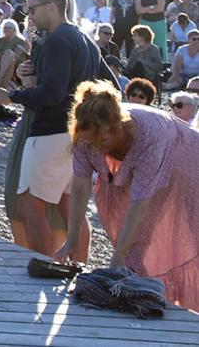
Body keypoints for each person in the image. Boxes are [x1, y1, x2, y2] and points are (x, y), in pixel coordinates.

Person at [0, 0, 116, 259]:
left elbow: (52, 93)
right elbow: (111, 86)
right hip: (76, 133)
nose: (30, 15)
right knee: (69, 206)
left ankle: (45, 266)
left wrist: (13, 96)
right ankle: (78, 266)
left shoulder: (57, 39)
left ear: (52, 6)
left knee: (29, 203)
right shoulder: (85, 40)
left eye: (33, 9)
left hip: (50, 131)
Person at [60, 80, 199, 310]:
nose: (97, 147)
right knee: (134, 251)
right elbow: (80, 186)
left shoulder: (150, 136)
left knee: (185, 239)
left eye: (102, 140)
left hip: (187, 167)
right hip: (142, 176)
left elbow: (141, 204)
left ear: (118, 126)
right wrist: (72, 237)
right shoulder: (86, 135)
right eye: (91, 142)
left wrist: (119, 255)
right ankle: (146, 295)